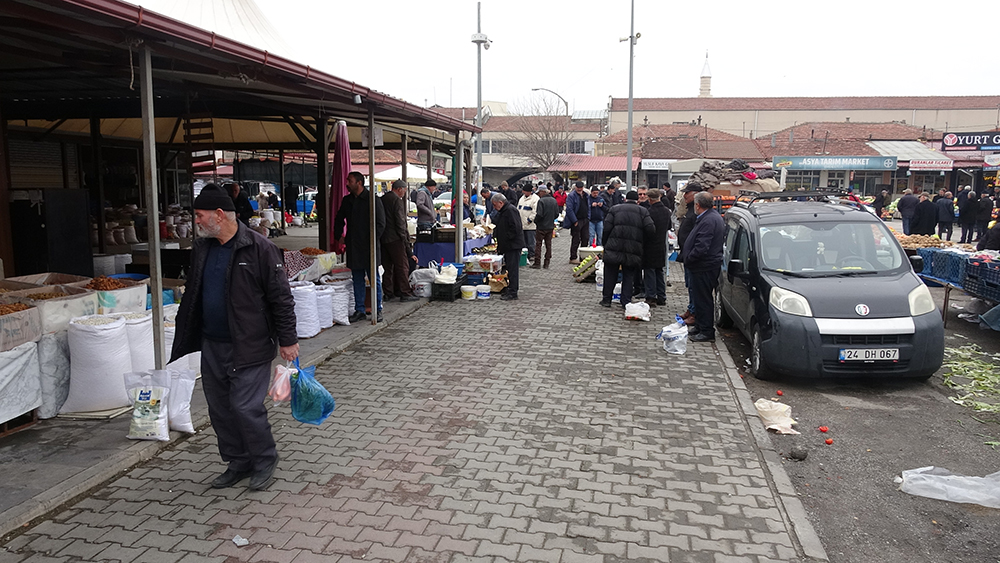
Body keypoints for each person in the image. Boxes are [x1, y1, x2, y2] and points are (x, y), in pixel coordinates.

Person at [169, 183, 297, 491]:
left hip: (249, 343)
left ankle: (264, 459)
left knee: (244, 406)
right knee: (220, 408)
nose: (196, 221)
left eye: (199, 215)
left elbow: (280, 296)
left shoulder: (258, 247)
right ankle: (238, 461)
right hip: (212, 343)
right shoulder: (203, 248)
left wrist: (287, 338)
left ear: (218, 214)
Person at [334, 171, 386, 323]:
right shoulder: (347, 200)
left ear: (359, 183)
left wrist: (371, 239)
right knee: (357, 278)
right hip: (353, 245)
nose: (347, 184)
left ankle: (378, 309)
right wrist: (339, 236)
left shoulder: (372, 200)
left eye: (349, 181)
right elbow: (338, 218)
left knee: (373, 278)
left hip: (369, 245)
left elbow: (381, 223)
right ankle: (360, 310)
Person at [682, 191, 726, 343]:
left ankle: (707, 331)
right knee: (700, 299)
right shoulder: (709, 217)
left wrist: (690, 258)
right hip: (703, 265)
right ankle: (700, 326)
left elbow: (702, 247)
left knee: (704, 299)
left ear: (698, 205)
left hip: (704, 266)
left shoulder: (708, 220)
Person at [600, 191, 654, 309]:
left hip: (614, 246)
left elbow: (607, 228)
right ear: (637, 201)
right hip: (633, 248)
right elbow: (651, 229)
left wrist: (605, 243)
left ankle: (606, 299)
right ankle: (626, 300)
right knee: (628, 275)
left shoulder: (614, 209)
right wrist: (642, 241)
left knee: (610, 274)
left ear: (625, 199)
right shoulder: (643, 211)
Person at [381, 180, 418, 303]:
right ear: (399, 189)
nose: (405, 193)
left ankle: (388, 292)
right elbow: (400, 222)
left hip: (384, 238)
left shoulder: (383, 198)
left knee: (388, 267)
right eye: (404, 190)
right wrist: (406, 241)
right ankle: (405, 292)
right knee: (402, 266)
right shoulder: (396, 200)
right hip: (396, 238)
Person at [676, 182, 704, 325]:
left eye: (687, 193)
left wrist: (691, 254)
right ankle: (690, 309)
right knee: (689, 285)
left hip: (692, 257)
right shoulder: (690, 210)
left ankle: (694, 313)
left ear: (695, 194)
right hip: (687, 255)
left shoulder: (698, 213)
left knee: (693, 286)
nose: (684, 195)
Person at [642, 188, 672, 307]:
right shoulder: (666, 211)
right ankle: (662, 296)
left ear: (650, 199)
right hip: (661, 245)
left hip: (649, 245)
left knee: (649, 271)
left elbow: (646, 229)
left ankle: (651, 297)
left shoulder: (648, 212)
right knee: (659, 271)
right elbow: (669, 226)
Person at [491, 194, 522, 300]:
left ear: (501, 202)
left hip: (512, 245)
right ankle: (510, 288)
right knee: (509, 268)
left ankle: (513, 292)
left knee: (513, 269)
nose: (494, 208)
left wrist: (506, 238)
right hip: (508, 245)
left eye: (495, 205)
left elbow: (515, 228)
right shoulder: (504, 211)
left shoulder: (510, 210)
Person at [564, 181, 590, 263]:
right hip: (577, 220)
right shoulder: (572, 196)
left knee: (585, 238)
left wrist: (589, 217)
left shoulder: (586, 195)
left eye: (581, 187)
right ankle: (573, 257)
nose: (579, 189)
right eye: (578, 187)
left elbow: (588, 206)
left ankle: (583, 257)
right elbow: (569, 209)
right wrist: (574, 220)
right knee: (576, 239)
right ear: (575, 187)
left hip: (585, 219)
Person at [533, 187, 558, 269]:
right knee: (548, 244)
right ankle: (547, 262)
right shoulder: (554, 200)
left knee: (538, 244)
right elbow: (556, 214)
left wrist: (536, 221)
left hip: (541, 226)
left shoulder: (541, 201)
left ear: (542, 192)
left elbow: (539, 214)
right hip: (550, 226)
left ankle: (537, 262)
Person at [517, 184, 539, 261]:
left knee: (531, 241)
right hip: (522, 224)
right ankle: (524, 254)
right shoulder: (521, 199)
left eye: (525, 191)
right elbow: (518, 209)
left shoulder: (535, 199)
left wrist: (529, 220)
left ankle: (532, 254)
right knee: (523, 241)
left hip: (530, 225)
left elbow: (535, 211)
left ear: (529, 191)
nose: (524, 193)